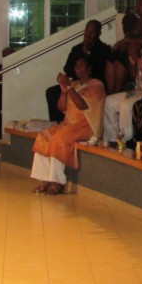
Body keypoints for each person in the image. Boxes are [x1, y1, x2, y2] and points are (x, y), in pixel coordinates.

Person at [31, 56, 105, 195]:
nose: (77, 68)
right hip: (68, 124)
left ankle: (57, 181)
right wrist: (64, 91)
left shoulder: (97, 85)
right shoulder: (74, 84)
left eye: (81, 65)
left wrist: (69, 87)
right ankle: (44, 180)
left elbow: (82, 105)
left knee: (58, 138)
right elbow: (61, 107)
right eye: (76, 66)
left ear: (89, 68)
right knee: (43, 136)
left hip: (85, 126)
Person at [102, 19, 142, 142]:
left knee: (125, 105)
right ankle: (112, 141)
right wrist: (132, 57)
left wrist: (137, 59)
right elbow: (133, 76)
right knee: (108, 101)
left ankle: (125, 142)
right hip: (137, 91)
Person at [45, 20, 111, 121]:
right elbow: (67, 68)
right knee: (51, 92)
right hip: (76, 83)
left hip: (92, 85)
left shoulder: (103, 49)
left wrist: (86, 52)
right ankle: (59, 122)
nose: (88, 34)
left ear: (98, 34)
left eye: (92, 32)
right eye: (87, 31)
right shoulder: (76, 49)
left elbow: (96, 68)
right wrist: (73, 76)